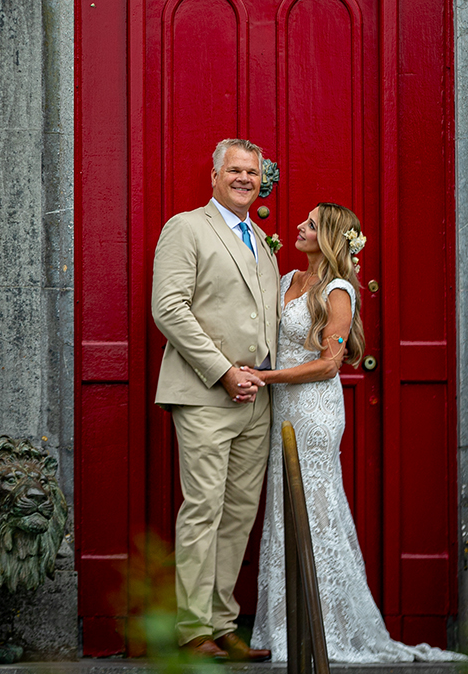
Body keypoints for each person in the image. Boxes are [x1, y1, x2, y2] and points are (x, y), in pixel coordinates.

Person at [245, 202, 465, 664]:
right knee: (285, 508)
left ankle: (331, 628)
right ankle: (284, 625)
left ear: (327, 237)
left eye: (309, 224)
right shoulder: (287, 281)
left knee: (317, 510)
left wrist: (264, 379)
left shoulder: (338, 290)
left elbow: (329, 363)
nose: (299, 228)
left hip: (314, 411)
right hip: (281, 409)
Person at [151, 139, 281, 661]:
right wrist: (224, 371)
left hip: (258, 399)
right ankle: (192, 630)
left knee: (239, 512)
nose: (245, 178)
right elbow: (169, 308)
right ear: (214, 175)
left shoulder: (263, 243)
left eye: (252, 172)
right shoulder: (186, 228)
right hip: (206, 394)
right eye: (235, 170)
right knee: (203, 508)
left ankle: (225, 623)